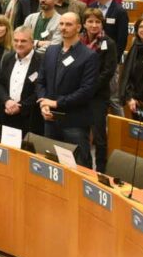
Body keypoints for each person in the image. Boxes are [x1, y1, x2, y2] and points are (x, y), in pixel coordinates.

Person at [35, 12, 98, 168]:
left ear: (79, 27)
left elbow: (86, 91)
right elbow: (40, 81)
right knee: (50, 164)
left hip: (74, 122)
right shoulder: (51, 51)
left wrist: (56, 103)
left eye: (68, 24)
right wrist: (44, 104)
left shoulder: (89, 56)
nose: (63, 28)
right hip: (50, 119)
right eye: (61, 24)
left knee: (79, 166)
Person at [80, 9, 118, 173]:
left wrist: (89, 88)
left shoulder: (108, 43)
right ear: (84, 24)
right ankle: (83, 165)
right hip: (79, 94)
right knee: (80, 132)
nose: (94, 25)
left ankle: (101, 169)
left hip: (98, 95)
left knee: (99, 135)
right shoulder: (78, 41)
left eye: (97, 22)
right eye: (90, 21)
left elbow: (108, 71)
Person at [0, 26, 43, 135]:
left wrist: (21, 107)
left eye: (23, 41)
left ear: (32, 42)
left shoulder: (42, 61)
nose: (19, 44)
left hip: (30, 117)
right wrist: (6, 101)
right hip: (7, 113)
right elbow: (0, 83)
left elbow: (40, 89)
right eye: (16, 40)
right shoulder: (8, 58)